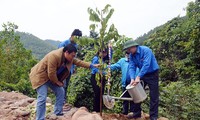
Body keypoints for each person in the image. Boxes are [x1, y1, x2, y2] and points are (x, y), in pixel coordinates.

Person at [29, 44, 99, 120]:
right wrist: (57, 82)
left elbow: (79, 62)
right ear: (66, 53)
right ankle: (40, 118)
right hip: (40, 76)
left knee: (61, 91)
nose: (73, 57)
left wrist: (92, 65)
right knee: (42, 97)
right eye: (72, 55)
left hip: (51, 77)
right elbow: (51, 73)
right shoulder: (54, 56)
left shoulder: (69, 58)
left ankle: (58, 113)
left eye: (74, 55)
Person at [123, 40, 159, 120]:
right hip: (143, 74)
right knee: (136, 92)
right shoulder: (131, 55)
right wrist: (132, 78)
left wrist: (138, 77)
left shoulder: (146, 50)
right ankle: (137, 113)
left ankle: (153, 116)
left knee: (154, 95)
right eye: (127, 50)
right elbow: (131, 67)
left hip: (153, 74)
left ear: (134, 46)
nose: (128, 51)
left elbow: (146, 64)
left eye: (129, 49)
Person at [58, 29, 82, 104]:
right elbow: (59, 57)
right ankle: (60, 101)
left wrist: (73, 68)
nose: (76, 40)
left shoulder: (76, 46)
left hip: (70, 69)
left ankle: (63, 101)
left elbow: (74, 59)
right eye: (76, 38)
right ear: (72, 36)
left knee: (66, 85)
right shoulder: (63, 44)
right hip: (62, 69)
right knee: (62, 85)